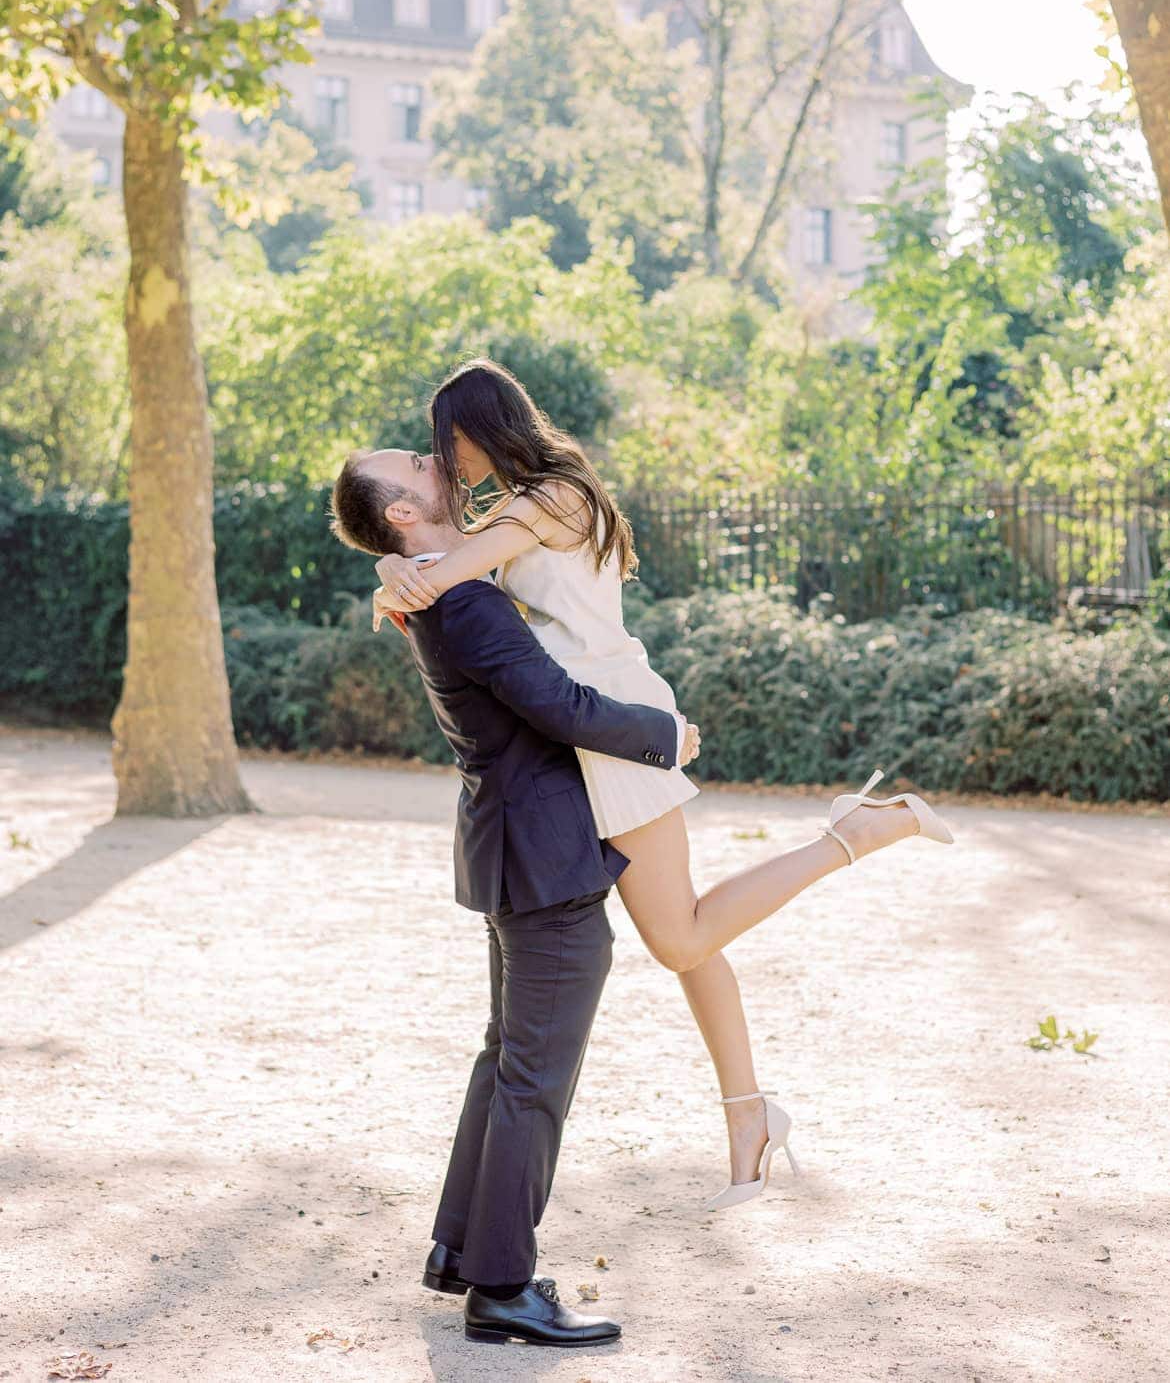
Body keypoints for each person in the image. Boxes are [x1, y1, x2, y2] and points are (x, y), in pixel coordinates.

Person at [366, 361, 954, 1211]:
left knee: (679, 938)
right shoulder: (515, 506)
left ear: (481, 426)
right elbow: (439, 563)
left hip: (614, 722)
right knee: (691, 938)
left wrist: (399, 576)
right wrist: (395, 575)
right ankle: (749, 1114)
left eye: (445, 445)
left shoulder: (552, 498)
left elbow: (446, 570)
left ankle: (853, 834)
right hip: (588, 725)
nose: (445, 463)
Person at [330, 445, 699, 1348]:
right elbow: (562, 705)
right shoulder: (460, 597)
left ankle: (463, 1252)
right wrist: (667, 735)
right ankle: (501, 1286)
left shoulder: (433, 582)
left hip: (514, 848)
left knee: (508, 1062)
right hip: (544, 859)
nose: (434, 459)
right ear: (406, 513)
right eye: (417, 465)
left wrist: (390, 564)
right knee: (533, 1076)